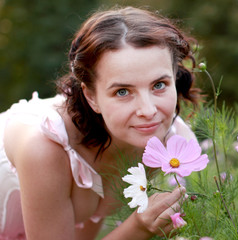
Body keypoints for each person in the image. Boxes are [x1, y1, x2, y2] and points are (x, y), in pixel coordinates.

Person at [0, 6, 201, 240]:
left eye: (158, 85)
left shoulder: (175, 146)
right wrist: (138, 228)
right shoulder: (45, 148)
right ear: (91, 96)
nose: (148, 111)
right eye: (123, 91)